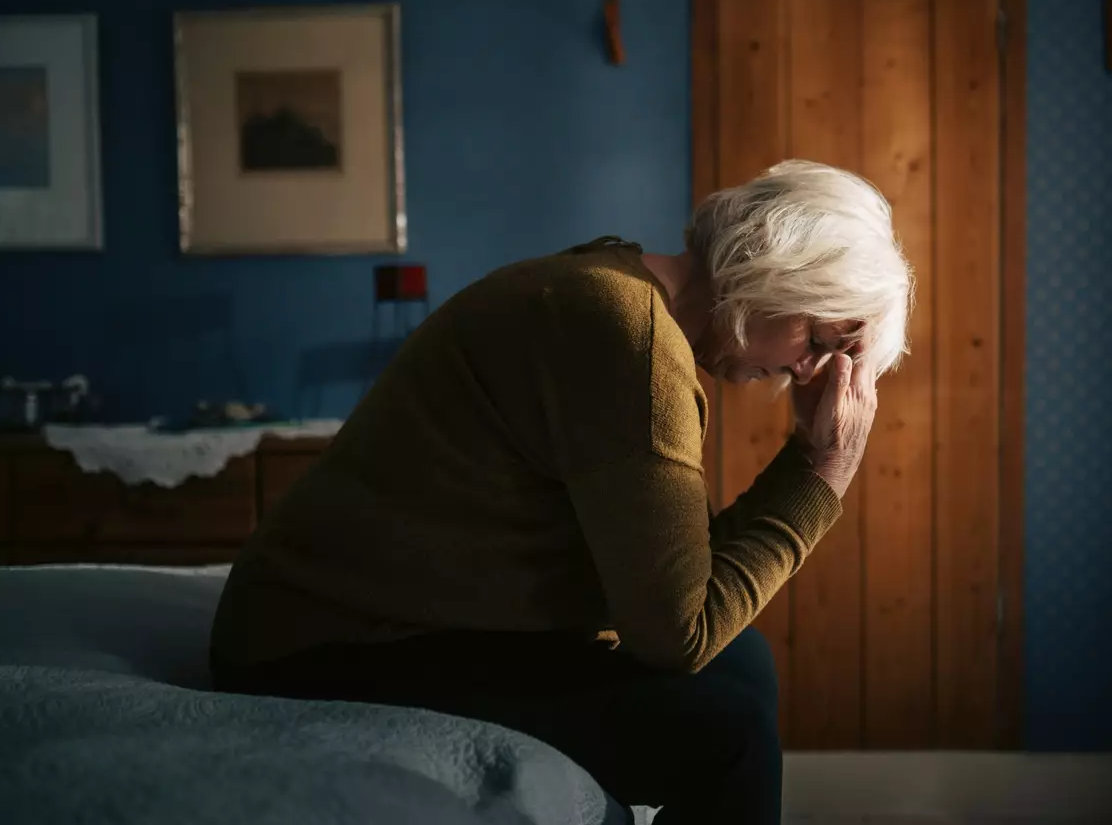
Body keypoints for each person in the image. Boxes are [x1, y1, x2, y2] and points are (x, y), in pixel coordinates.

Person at [209, 159, 914, 824]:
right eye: (819, 338)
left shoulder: (617, 285)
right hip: (319, 647)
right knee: (727, 735)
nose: (807, 370)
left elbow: (678, 590)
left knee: (746, 661)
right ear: (777, 270)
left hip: (373, 618)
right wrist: (822, 471)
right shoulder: (631, 340)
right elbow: (680, 633)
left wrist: (807, 464)